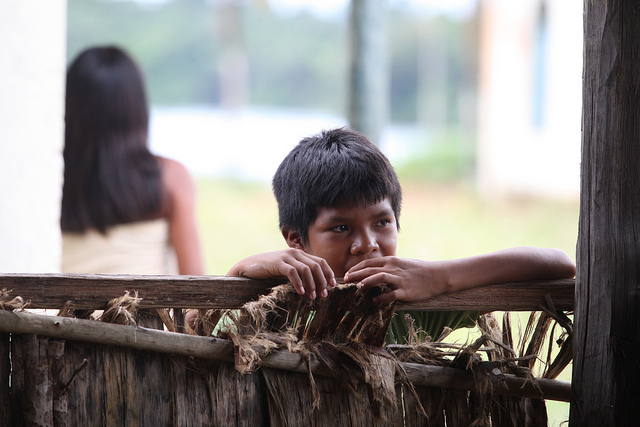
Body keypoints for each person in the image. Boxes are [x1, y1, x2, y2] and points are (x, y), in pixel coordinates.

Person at [227, 127, 576, 342]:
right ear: (295, 239)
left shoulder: (409, 303)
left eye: (382, 222)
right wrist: (242, 268)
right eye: (341, 228)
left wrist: (440, 277)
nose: (368, 244)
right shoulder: (271, 305)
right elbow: (195, 326)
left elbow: (557, 264)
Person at [61, 46, 204, 325]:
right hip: (145, 349)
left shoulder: (51, 182)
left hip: (55, 343)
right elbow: (197, 297)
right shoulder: (170, 178)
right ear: (136, 106)